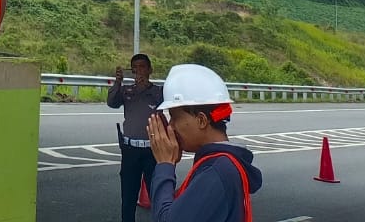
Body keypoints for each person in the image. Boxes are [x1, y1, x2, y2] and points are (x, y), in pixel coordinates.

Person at [145, 63, 261, 221]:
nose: (171, 126)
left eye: (175, 117)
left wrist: (165, 164)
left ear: (201, 120)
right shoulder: (221, 164)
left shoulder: (216, 171)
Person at [109, 53, 164, 222]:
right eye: (135, 67)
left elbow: (163, 103)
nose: (138, 70)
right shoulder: (127, 91)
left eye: (142, 66)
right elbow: (112, 103)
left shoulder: (157, 91)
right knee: (128, 196)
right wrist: (118, 82)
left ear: (149, 70)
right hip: (130, 150)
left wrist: (146, 87)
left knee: (157, 195)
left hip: (152, 150)